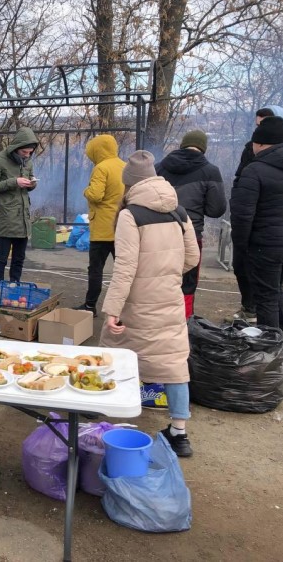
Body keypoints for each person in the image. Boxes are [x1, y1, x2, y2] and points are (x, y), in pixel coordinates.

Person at [100, 150, 200, 457]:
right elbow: (193, 258)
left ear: (129, 184)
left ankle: (109, 415)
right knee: (173, 362)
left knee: (114, 352)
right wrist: (166, 274)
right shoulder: (179, 211)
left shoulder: (131, 215)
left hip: (137, 302)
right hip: (170, 299)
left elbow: (125, 267)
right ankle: (179, 433)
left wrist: (112, 310)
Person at [156, 130, 227, 317]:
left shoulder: (159, 168)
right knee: (187, 283)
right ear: (203, 148)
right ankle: (184, 326)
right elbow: (216, 210)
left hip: (157, 235)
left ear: (182, 145)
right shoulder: (211, 171)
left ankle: (158, 324)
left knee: (158, 281)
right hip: (190, 236)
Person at [230, 116, 283, 329]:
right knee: (278, 292)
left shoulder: (254, 170)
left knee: (267, 298)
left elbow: (242, 216)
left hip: (265, 246)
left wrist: (242, 247)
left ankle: (270, 348)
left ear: (260, 143)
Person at [75, 134, 126, 316]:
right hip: (122, 227)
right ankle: (123, 309)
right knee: (123, 271)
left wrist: (86, 190)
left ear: (97, 150)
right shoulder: (123, 165)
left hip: (103, 229)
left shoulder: (101, 168)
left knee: (96, 269)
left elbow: (95, 195)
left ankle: (90, 306)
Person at [0, 127, 39, 282]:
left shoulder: (27, 162)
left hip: (23, 219)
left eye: (30, 152)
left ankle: (15, 286)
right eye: (24, 152)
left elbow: (28, 182)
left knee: (19, 259)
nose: (27, 155)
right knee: (1, 259)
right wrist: (14, 182)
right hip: (7, 218)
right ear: (16, 148)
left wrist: (32, 184)